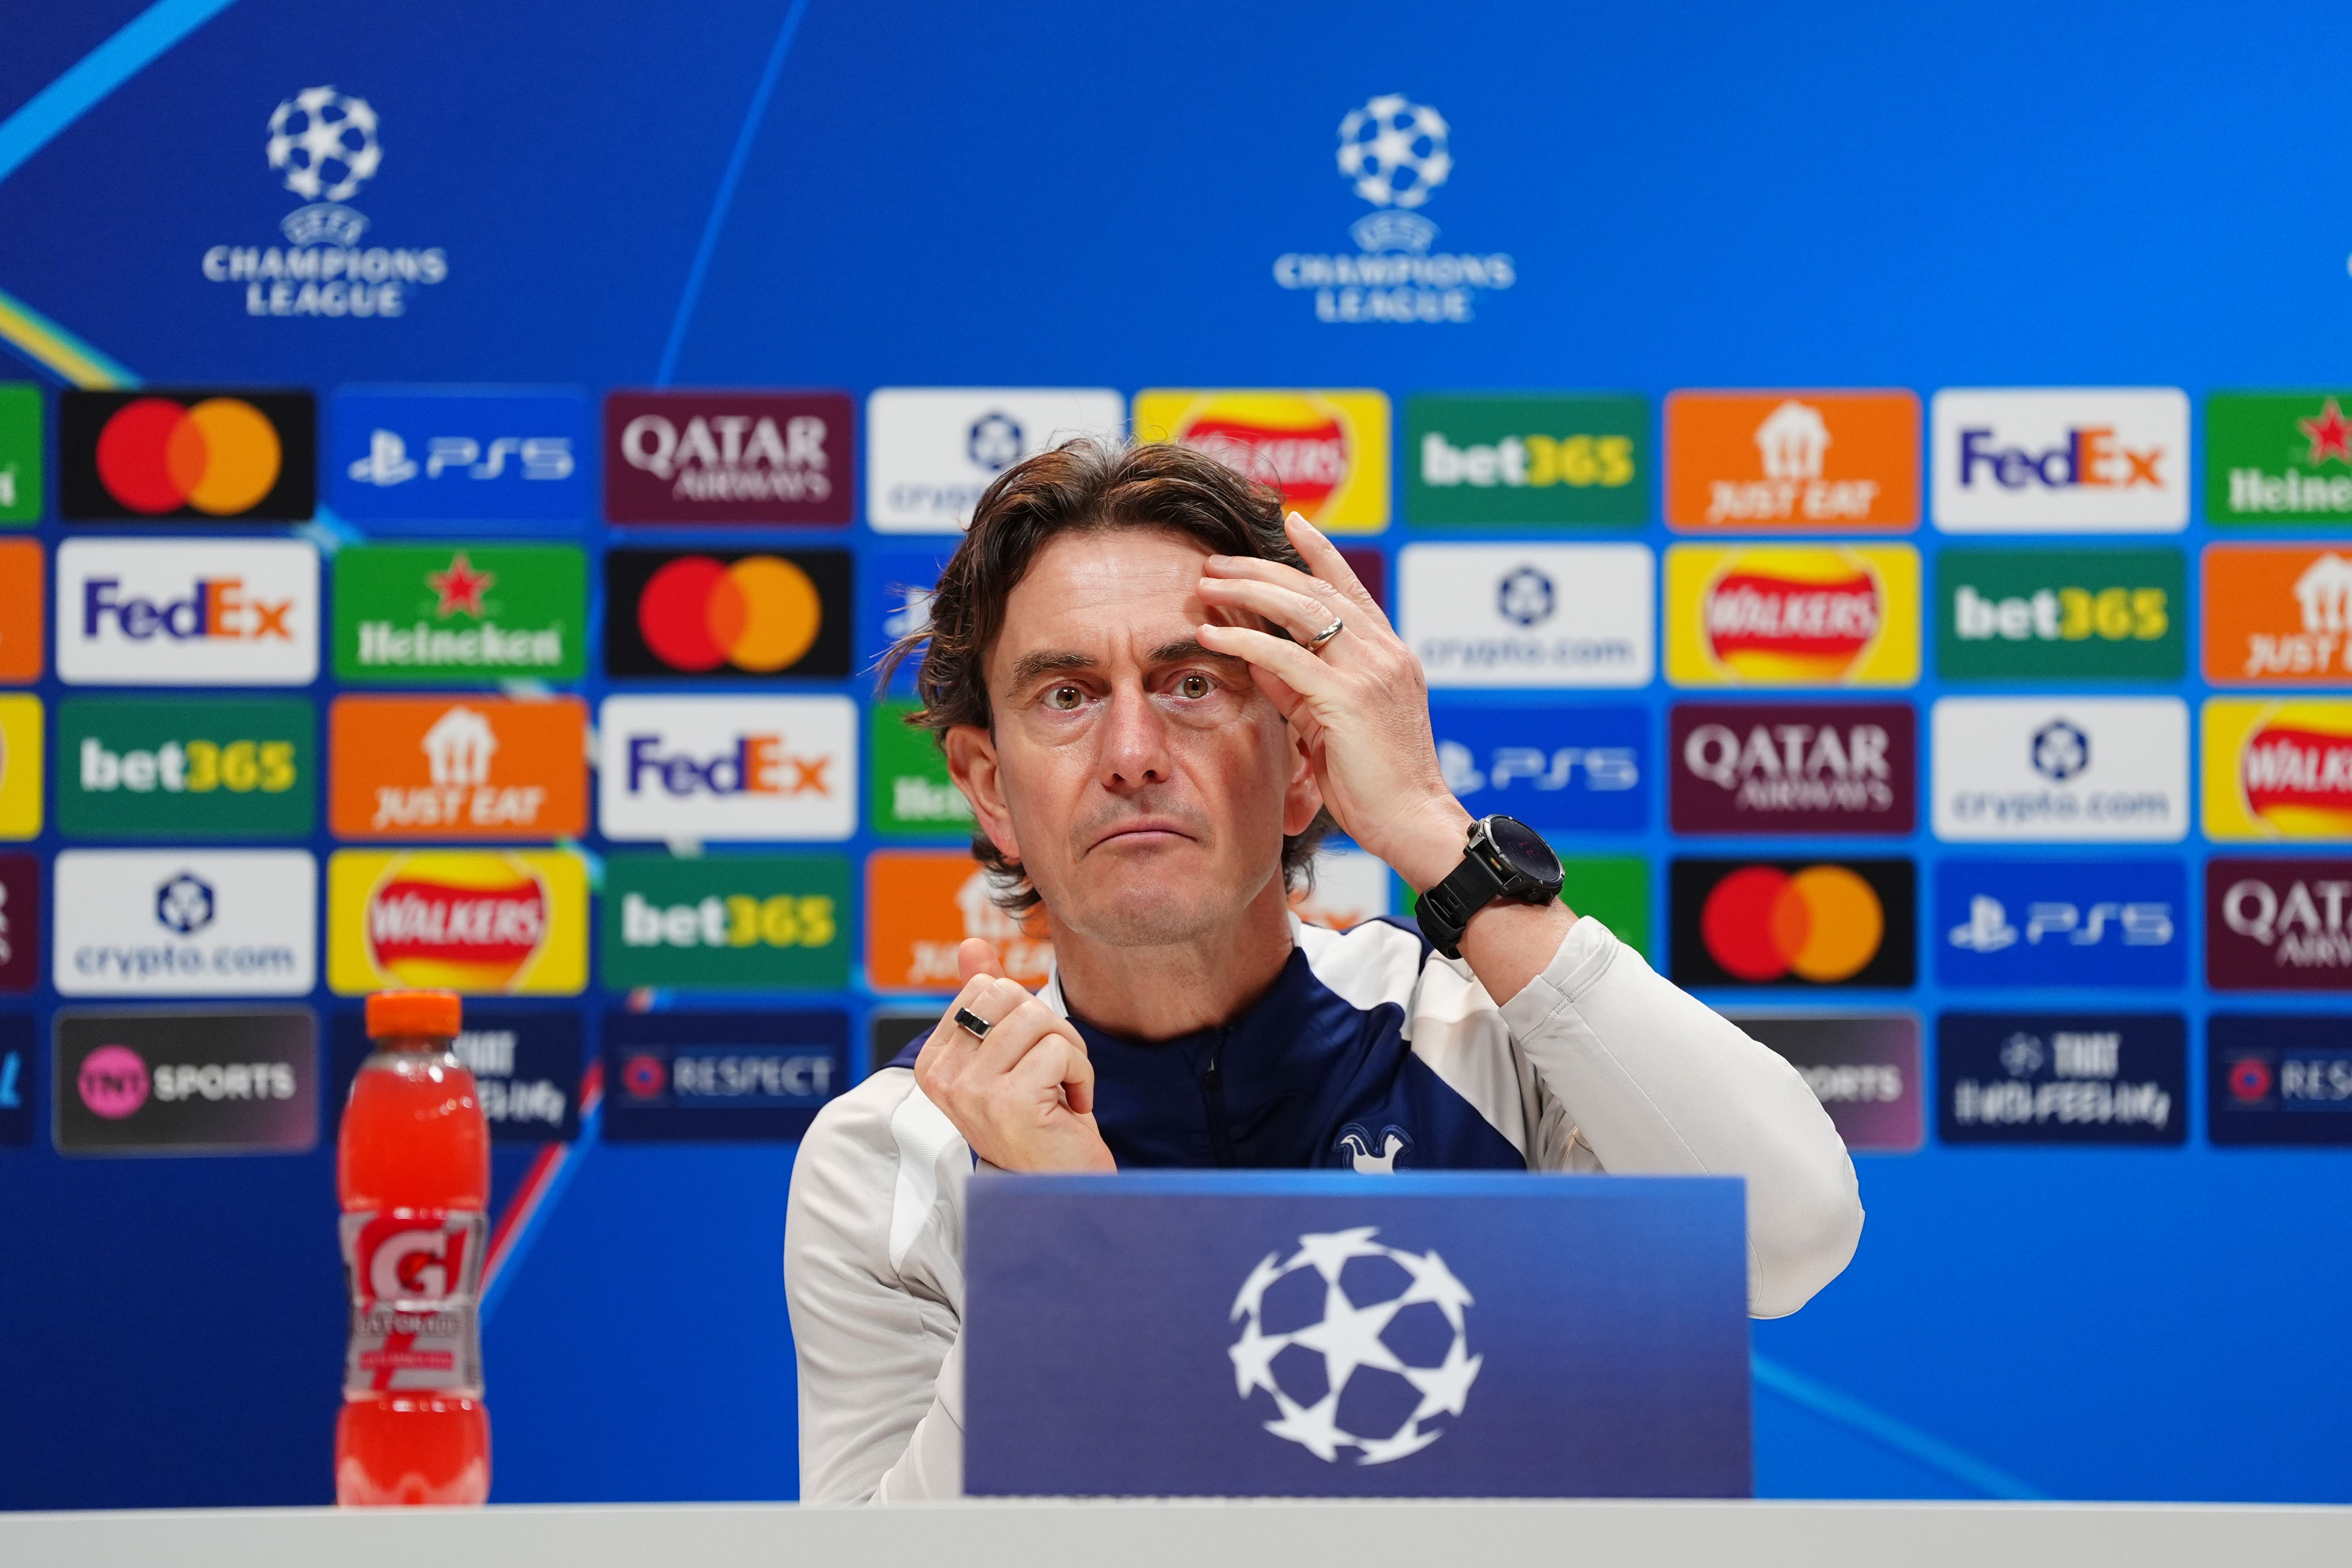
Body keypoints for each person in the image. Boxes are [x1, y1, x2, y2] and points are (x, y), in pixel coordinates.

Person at [784, 437, 1863, 1503]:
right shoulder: (895, 1152)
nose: (1129, 749)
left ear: (1305, 759)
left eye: (1191, 682)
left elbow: (1789, 1239)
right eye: (1064, 695)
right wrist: (1062, 1235)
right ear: (986, 786)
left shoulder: (1488, 1033)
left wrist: (1440, 838)